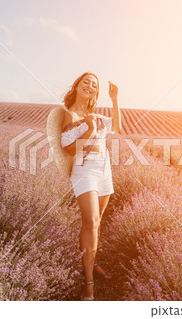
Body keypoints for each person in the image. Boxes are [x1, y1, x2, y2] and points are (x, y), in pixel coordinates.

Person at [60, 72, 122, 301]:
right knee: (91, 222)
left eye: (94, 84)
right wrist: (88, 130)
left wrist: (114, 99)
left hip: (104, 170)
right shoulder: (69, 114)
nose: (90, 86)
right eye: (86, 81)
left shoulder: (95, 114)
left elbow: (116, 127)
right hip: (84, 171)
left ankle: (91, 262)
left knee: (96, 223)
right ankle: (88, 282)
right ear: (77, 85)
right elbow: (68, 149)